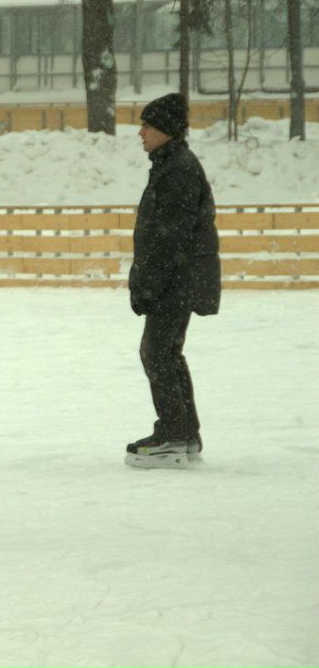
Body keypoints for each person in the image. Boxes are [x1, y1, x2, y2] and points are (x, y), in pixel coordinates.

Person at [125, 92, 221, 469]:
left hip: (176, 279)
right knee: (165, 353)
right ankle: (185, 431)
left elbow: (169, 236)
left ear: (165, 129)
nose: (141, 132)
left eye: (147, 125)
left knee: (157, 353)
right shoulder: (169, 163)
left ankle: (174, 434)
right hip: (177, 277)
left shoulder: (178, 168)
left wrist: (147, 284)